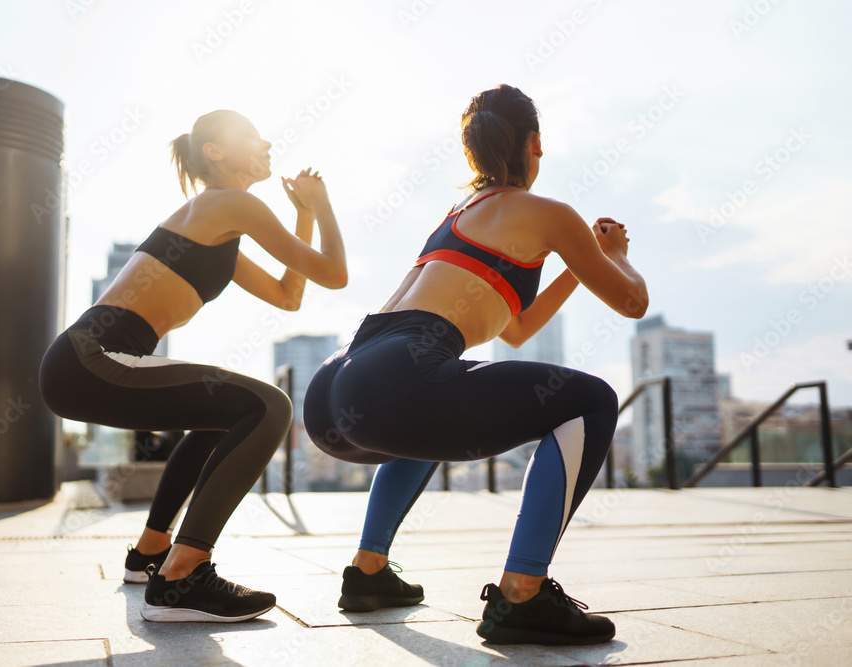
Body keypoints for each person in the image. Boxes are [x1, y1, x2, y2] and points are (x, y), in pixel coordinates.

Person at [302, 83, 648, 645]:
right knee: (592, 399)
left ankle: (368, 575)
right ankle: (523, 595)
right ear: (534, 143)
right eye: (539, 145)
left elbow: (517, 328)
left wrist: (580, 266)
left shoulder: (458, 214)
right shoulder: (551, 213)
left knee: (431, 417)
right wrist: (616, 258)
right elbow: (633, 302)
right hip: (400, 376)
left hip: (338, 385)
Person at [38, 109, 347, 622]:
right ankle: (182, 577)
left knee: (220, 414)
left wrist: (305, 215)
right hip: (93, 358)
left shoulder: (222, 221)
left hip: (87, 361)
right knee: (269, 405)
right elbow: (334, 274)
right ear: (216, 151)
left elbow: (289, 296)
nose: (267, 141)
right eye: (253, 135)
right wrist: (324, 203)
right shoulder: (233, 204)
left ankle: (151, 555)